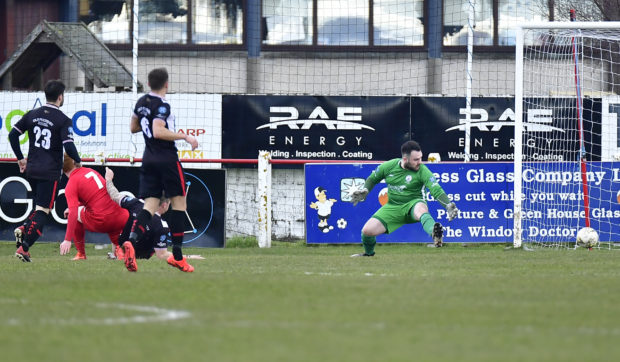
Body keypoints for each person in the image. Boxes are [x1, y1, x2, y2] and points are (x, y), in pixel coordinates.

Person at [123, 67, 199, 272]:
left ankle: (131, 241)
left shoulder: (140, 103)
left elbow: (133, 127)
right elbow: (157, 131)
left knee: (150, 206)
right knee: (179, 204)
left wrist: (146, 124)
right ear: (167, 84)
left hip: (148, 158)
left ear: (148, 84)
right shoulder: (163, 105)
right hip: (166, 158)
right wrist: (185, 136)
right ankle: (178, 256)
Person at [8, 80, 82, 262]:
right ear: (60, 97)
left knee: (39, 206)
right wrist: (78, 161)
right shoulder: (63, 120)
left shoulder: (33, 114)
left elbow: (13, 134)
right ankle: (24, 248)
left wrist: (20, 158)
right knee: (43, 211)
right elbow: (69, 146)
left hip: (32, 169)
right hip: (50, 172)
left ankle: (25, 227)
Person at [350, 140, 459, 256]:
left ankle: (434, 232)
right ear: (405, 159)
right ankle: (368, 254)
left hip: (414, 204)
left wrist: (447, 205)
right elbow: (373, 178)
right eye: (416, 160)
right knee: (366, 231)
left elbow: (436, 189)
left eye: (421, 158)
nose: (420, 162)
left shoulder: (423, 170)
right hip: (393, 207)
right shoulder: (389, 166)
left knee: (421, 209)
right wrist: (366, 190)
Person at [104, 167, 204, 261]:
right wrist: (189, 257)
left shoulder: (136, 203)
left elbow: (115, 195)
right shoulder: (161, 225)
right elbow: (162, 255)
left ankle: (117, 252)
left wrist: (108, 179)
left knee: (120, 217)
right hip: (138, 256)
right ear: (164, 205)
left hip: (121, 247)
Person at [59, 155, 128, 260]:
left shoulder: (72, 183)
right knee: (108, 216)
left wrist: (67, 240)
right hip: (121, 216)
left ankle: (81, 254)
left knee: (71, 213)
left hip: (102, 220)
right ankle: (119, 250)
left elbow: (73, 213)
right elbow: (96, 197)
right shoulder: (90, 170)